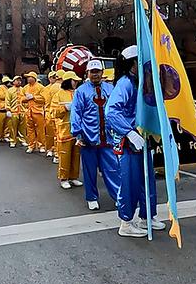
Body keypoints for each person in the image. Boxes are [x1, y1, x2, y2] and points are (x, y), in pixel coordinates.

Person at [106, 45, 166, 238]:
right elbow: (111, 112)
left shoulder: (140, 82)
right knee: (130, 182)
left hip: (143, 139)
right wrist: (129, 132)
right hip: (129, 142)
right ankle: (126, 221)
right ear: (133, 63)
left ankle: (147, 216)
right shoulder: (125, 83)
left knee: (147, 180)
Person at [70, 59, 120, 211]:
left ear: (102, 72)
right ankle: (91, 197)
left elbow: (117, 109)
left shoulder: (111, 88)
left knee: (113, 169)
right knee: (89, 170)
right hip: (88, 138)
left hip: (109, 138)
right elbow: (76, 113)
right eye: (92, 72)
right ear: (87, 73)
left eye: (98, 71)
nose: (95, 74)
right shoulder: (81, 91)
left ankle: (119, 196)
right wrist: (78, 134)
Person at [50, 72, 83, 189]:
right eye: (74, 81)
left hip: (77, 130)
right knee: (65, 155)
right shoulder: (59, 94)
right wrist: (64, 108)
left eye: (77, 81)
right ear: (68, 81)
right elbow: (53, 112)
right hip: (64, 130)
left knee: (76, 155)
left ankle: (74, 177)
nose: (76, 83)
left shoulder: (78, 93)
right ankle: (63, 178)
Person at [22, 71, 47, 153]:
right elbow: (21, 99)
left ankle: (42, 146)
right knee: (29, 130)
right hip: (28, 112)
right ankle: (31, 145)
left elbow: (44, 99)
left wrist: (34, 97)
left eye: (30, 77)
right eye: (27, 77)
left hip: (38, 111)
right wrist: (26, 99)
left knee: (40, 130)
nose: (28, 78)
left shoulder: (41, 87)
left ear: (34, 78)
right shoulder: (25, 88)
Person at [43, 70, 61, 160]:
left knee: (57, 134)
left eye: (55, 77)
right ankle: (50, 149)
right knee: (50, 133)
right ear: (49, 78)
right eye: (53, 77)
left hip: (54, 112)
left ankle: (55, 150)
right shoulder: (46, 89)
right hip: (49, 112)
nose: (54, 79)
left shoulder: (60, 87)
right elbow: (46, 102)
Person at [6, 75, 25, 148]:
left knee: (22, 128)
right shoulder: (10, 90)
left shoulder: (23, 89)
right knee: (12, 128)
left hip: (22, 111)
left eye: (20, 80)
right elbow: (7, 101)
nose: (19, 81)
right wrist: (8, 109)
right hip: (13, 111)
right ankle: (12, 141)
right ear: (13, 82)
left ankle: (23, 140)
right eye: (17, 80)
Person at [0, 76, 12, 143]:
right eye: (9, 82)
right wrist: (9, 95)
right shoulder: (1, 87)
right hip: (1, 109)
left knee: (7, 124)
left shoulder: (9, 88)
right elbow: (1, 96)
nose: (10, 83)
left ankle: (6, 136)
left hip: (8, 109)